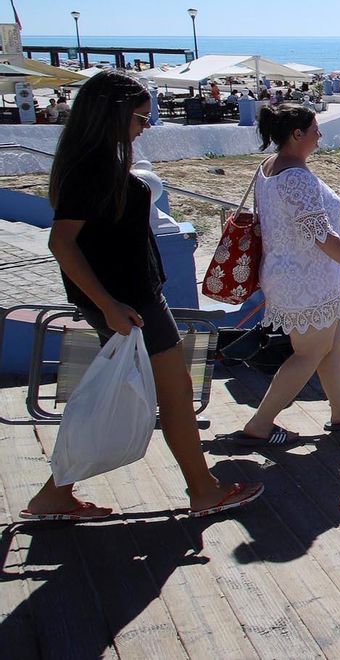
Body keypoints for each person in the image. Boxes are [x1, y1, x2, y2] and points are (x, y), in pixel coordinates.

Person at [24, 70, 263, 521]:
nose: (146, 126)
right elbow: (62, 243)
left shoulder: (94, 164)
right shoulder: (93, 169)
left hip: (130, 300)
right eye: (140, 118)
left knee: (152, 395)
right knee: (173, 395)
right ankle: (203, 490)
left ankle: (58, 493)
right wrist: (110, 305)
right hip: (129, 303)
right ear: (113, 115)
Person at [232, 104, 340, 448]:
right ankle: (259, 424)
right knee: (308, 353)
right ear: (297, 134)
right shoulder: (297, 177)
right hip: (304, 281)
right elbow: (321, 235)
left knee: (336, 338)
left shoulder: (269, 168)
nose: (320, 136)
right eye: (315, 129)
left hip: (295, 275)